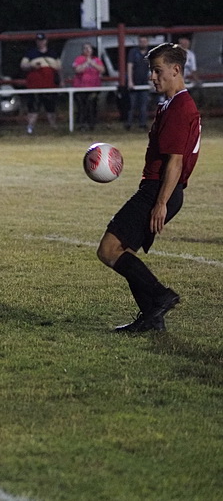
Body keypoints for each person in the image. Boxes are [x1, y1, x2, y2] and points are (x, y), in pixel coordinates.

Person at [97, 43, 201, 333]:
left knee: (108, 250)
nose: (152, 77)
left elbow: (175, 163)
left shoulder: (180, 107)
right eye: (151, 70)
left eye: (158, 70)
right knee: (123, 250)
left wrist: (160, 202)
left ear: (176, 70)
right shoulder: (169, 103)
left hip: (160, 189)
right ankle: (152, 320)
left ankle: (159, 297)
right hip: (158, 187)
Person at [20, 33, 61, 134]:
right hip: (35, 87)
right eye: (38, 40)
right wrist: (31, 66)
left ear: (46, 41)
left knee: (50, 108)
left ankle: (53, 128)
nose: (41, 42)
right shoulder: (31, 53)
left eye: (42, 40)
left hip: (49, 86)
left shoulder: (52, 53)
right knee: (33, 109)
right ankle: (30, 128)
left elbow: (59, 67)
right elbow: (23, 65)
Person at [72, 43, 105, 131]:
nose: (87, 50)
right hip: (81, 88)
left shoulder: (96, 59)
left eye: (89, 48)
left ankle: (92, 124)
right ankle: (82, 124)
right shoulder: (79, 59)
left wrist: (92, 63)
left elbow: (102, 69)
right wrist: (87, 63)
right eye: (85, 48)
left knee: (92, 105)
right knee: (81, 107)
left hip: (94, 87)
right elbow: (78, 70)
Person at [125, 36, 151, 130]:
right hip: (134, 81)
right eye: (141, 41)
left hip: (145, 82)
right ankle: (129, 124)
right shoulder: (133, 52)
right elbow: (130, 66)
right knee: (131, 105)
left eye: (144, 41)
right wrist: (130, 81)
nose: (143, 43)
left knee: (143, 105)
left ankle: (142, 124)